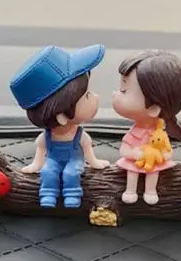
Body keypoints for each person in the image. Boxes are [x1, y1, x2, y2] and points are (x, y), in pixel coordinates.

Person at [10, 45, 109, 208]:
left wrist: (94, 162)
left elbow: (88, 150)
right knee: (48, 172)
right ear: (61, 116)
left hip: (74, 161)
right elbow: (41, 151)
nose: (96, 97)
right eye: (87, 96)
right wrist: (36, 165)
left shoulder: (80, 135)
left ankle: (72, 195)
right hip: (52, 160)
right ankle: (48, 194)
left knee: (72, 173)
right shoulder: (47, 137)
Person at [112, 50, 181, 205]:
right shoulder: (135, 133)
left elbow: (167, 149)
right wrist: (133, 154)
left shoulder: (159, 133)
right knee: (132, 172)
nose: (115, 94)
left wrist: (165, 155)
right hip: (136, 162)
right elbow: (124, 150)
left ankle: (150, 190)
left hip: (152, 163)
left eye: (124, 91)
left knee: (153, 173)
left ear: (154, 108)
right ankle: (130, 190)